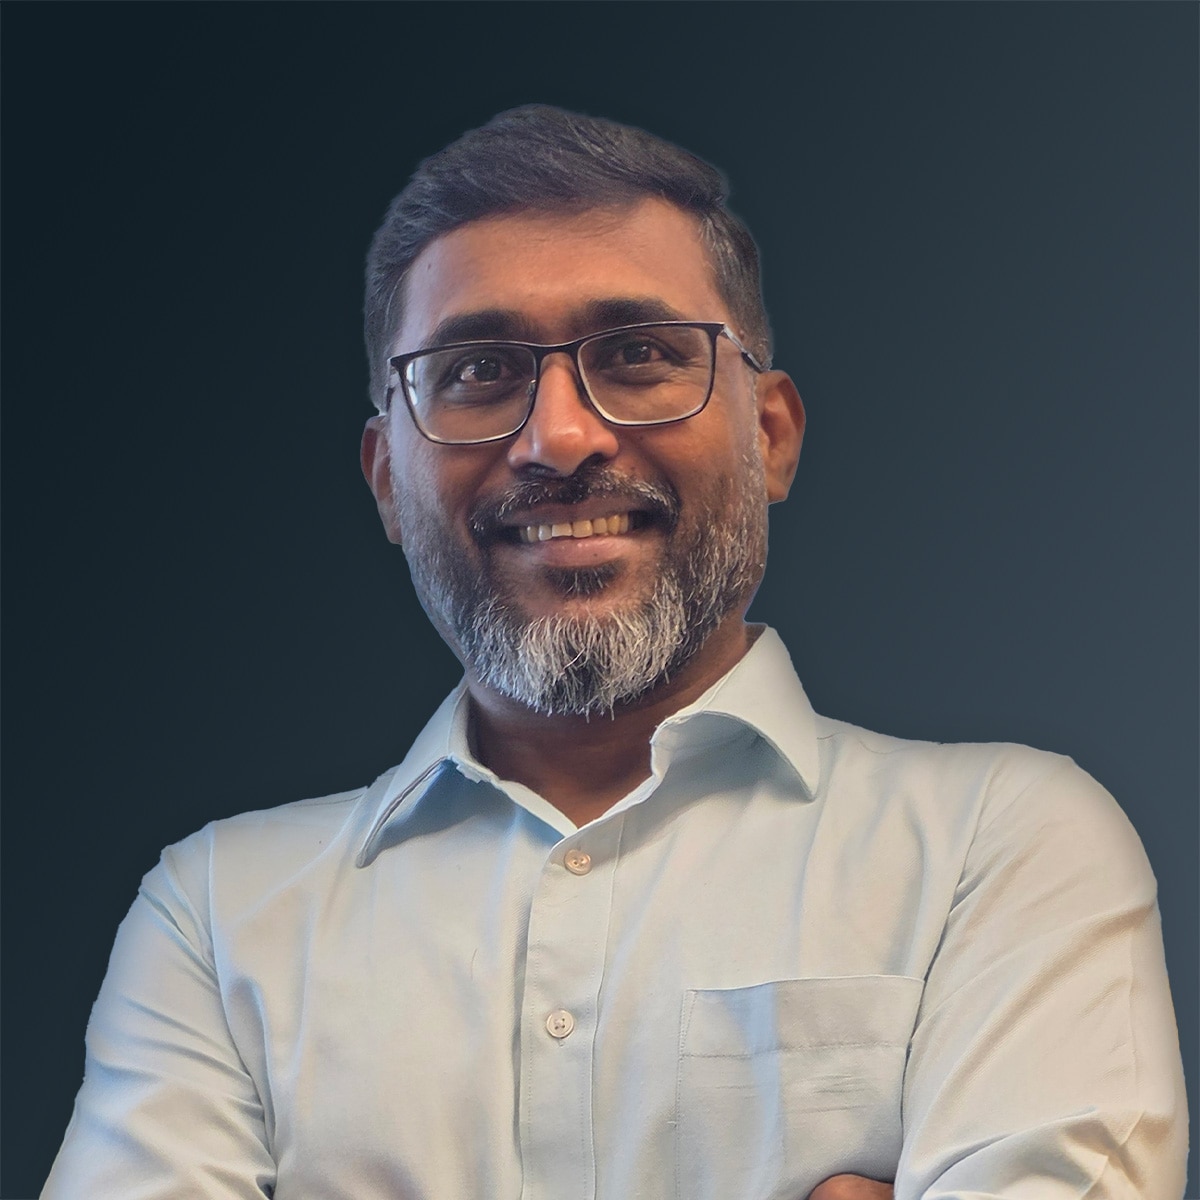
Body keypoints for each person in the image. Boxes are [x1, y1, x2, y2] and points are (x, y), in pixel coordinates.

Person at [43, 106, 1186, 1200]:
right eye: (478, 372)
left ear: (771, 434)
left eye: (638, 354)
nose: (560, 438)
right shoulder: (216, 914)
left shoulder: (1007, 845)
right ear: (388, 478)